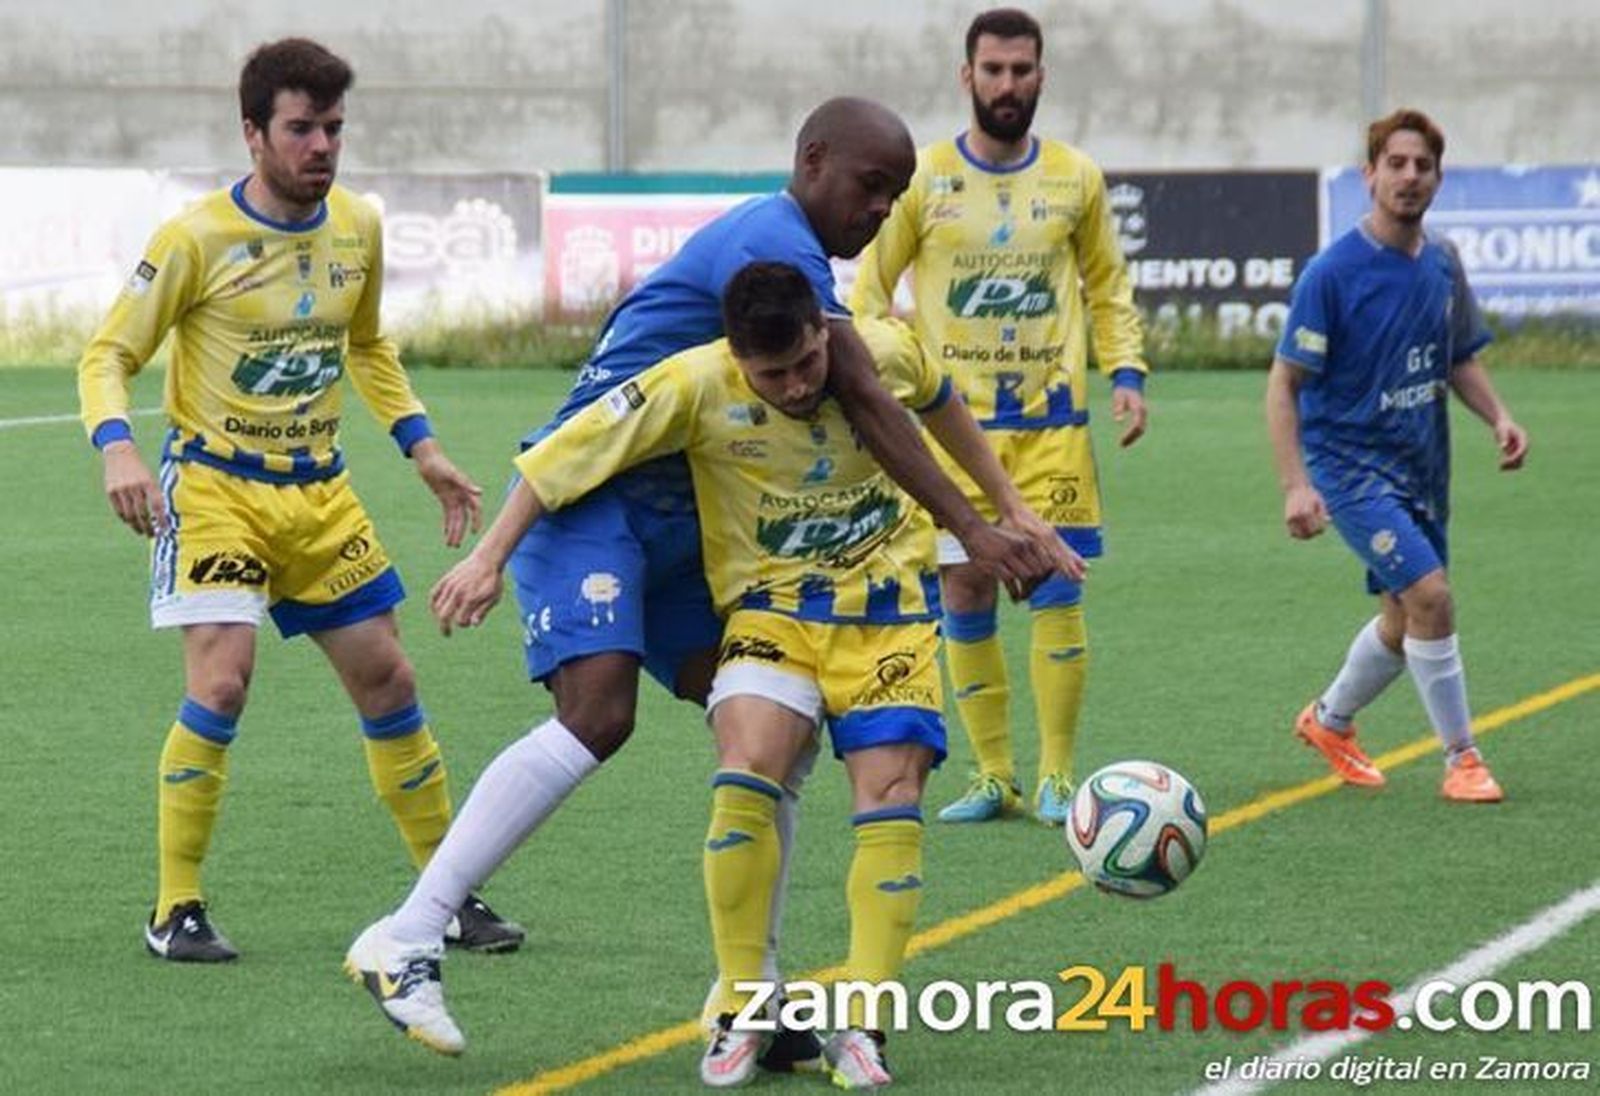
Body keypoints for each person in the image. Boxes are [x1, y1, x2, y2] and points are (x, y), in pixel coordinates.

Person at [341, 96, 1073, 1064]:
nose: (880, 210)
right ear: (812, 161)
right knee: (598, 713)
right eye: (869, 185)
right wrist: (977, 529)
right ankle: (410, 932)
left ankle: (752, 1002)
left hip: (676, 520)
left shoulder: (794, 261)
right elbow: (866, 395)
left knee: (771, 729)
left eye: (896, 195)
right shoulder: (779, 245)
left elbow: (920, 392)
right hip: (594, 499)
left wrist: (1010, 513)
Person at [76, 37, 523, 961]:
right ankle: (175, 909)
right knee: (222, 681)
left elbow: (367, 347)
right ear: (252, 133)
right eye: (301, 129)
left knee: (390, 679)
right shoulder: (195, 239)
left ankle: (445, 896)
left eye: (333, 129)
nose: (321, 146)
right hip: (216, 490)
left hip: (319, 495)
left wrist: (425, 450)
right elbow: (108, 353)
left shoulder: (357, 225)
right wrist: (117, 446)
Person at [851, 8, 1149, 826]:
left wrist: (1126, 371)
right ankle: (993, 777)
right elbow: (870, 289)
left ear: (1040, 77)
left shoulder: (1076, 178)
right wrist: (882, 370)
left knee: (1056, 583)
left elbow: (1107, 285)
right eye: (993, 70)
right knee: (964, 585)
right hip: (955, 434)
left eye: (1021, 70)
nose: (1007, 85)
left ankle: (1057, 776)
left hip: (1053, 428)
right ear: (967, 76)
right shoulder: (925, 177)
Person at [1266, 107, 1529, 803]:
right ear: (1370, 175)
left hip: (1422, 465)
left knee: (1401, 616)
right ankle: (1463, 759)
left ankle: (1329, 721)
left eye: (1423, 166)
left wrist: (1499, 417)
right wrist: (1296, 485)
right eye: (1396, 164)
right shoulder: (1332, 273)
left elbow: (1457, 357)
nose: (1409, 177)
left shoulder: (1442, 262)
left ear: (1438, 178)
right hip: (1350, 469)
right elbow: (1284, 383)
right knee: (1432, 597)